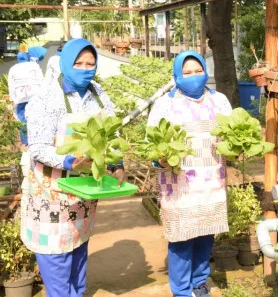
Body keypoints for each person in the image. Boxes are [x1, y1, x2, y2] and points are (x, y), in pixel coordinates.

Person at [21, 38, 125, 297]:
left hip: (83, 193)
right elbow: (38, 147)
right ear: (66, 63)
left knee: (78, 250)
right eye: (78, 63)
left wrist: (116, 162)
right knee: (55, 256)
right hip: (52, 194)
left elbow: (112, 130)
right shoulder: (46, 97)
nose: (85, 68)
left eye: (91, 63)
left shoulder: (98, 94)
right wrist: (68, 161)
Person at [147, 51, 232, 297]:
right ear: (177, 74)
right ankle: (182, 290)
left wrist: (237, 148)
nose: (194, 76)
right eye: (187, 72)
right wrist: (159, 157)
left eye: (198, 71)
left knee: (206, 235)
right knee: (181, 240)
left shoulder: (220, 100)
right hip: (179, 184)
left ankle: (199, 283)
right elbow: (151, 142)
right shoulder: (165, 103)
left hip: (212, 181)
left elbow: (231, 134)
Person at [7, 47, 45, 145]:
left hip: (20, 99)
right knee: (37, 117)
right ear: (27, 57)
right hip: (35, 97)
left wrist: (12, 98)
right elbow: (41, 80)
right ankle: (39, 140)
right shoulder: (34, 66)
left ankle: (26, 142)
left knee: (24, 120)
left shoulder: (13, 68)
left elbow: (11, 85)